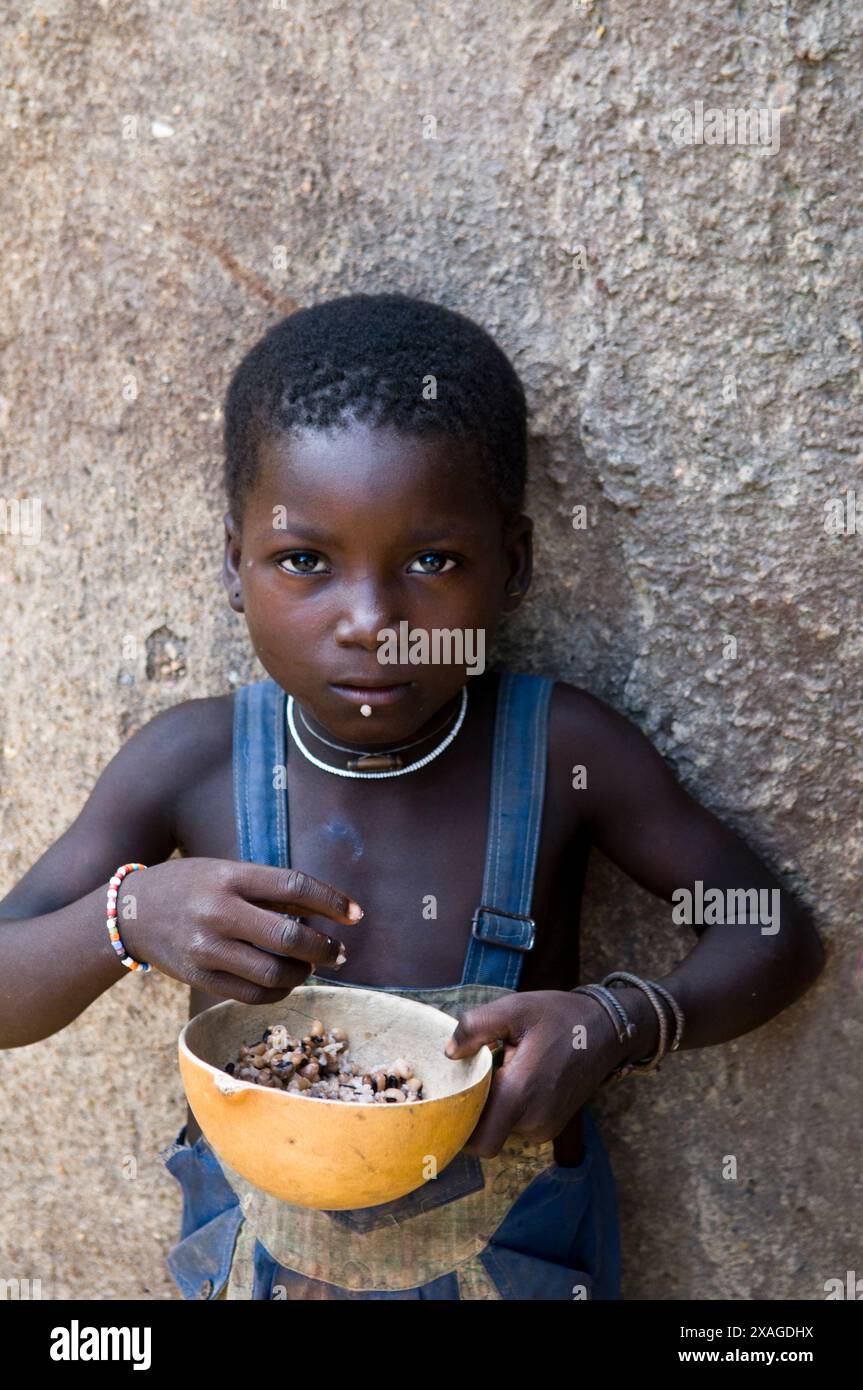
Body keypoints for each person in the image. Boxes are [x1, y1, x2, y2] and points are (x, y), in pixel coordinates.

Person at [0, 292, 825, 1300]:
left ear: (511, 567)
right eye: (303, 560)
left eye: (431, 562)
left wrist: (615, 1020)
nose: (370, 621)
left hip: (512, 1262)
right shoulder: (192, 761)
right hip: (261, 1265)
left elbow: (771, 930)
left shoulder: (559, 748)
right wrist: (126, 915)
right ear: (233, 563)